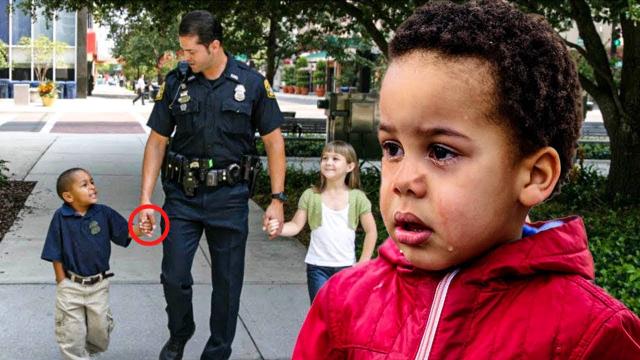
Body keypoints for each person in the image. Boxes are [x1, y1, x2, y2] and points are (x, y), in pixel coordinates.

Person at [293, 1, 640, 359]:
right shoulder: (343, 302)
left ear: (534, 176)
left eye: (441, 152)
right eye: (393, 148)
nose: (403, 181)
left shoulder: (592, 334)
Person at [138, 10, 286, 360]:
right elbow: (158, 141)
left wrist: (277, 198)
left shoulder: (250, 83)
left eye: (190, 51)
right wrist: (146, 198)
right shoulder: (176, 83)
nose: (183, 58)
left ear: (214, 46)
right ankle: (180, 332)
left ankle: (217, 351)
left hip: (230, 199)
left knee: (227, 284)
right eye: (182, 51)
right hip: (182, 198)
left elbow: (274, 142)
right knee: (173, 276)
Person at [41, 168, 151, 360]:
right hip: (71, 287)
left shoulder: (104, 213)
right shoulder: (60, 217)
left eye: (92, 182)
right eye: (84, 184)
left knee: (99, 332)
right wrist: (61, 280)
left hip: (98, 286)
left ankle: (90, 353)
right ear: (68, 196)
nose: (92, 187)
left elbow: (124, 232)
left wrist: (140, 229)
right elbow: (54, 250)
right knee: (71, 334)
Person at [266, 140, 377, 303]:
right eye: (325, 158)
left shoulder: (357, 198)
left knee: (342, 315)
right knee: (320, 313)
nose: (328, 162)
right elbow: (296, 225)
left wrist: (363, 262)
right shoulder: (311, 195)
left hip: (346, 268)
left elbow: (371, 231)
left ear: (350, 167)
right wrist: (278, 228)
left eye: (335, 158)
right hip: (317, 267)